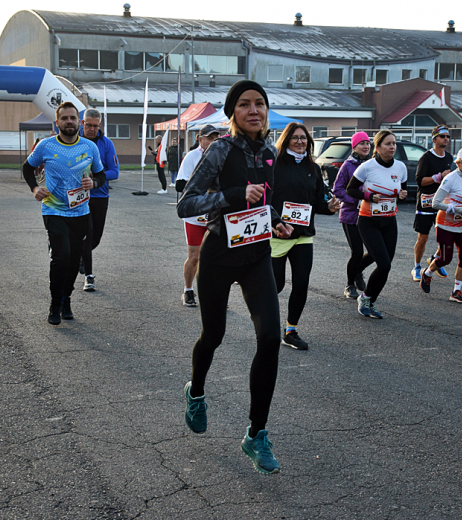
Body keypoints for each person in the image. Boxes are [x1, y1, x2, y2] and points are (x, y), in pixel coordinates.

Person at [177, 80, 293, 474]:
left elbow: (267, 202)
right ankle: (196, 391)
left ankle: (256, 434)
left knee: (269, 340)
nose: (253, 110)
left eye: (259, 103)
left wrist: (276, 221)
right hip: (220, 255)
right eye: (244, 104)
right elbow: (186, 203)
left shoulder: (269, 152)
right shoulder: (220, 150)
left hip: (257, 254)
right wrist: (232, 196)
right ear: (232, 113)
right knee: (214, 335)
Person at [22, 102, 106, 325]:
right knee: (60, 257)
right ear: (57, 122)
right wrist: (34, 188)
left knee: (72, 260)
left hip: (80, 212)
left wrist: (93, 182)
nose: (69, 121)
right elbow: (27, 168)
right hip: (53, 209)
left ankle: (66, 298)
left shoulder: (89, 147)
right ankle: (55, 303)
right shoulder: (45, 146)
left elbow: (101, 175)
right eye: (64, 118)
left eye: (72, 118)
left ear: (79, 122)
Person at [271, 122, 340, 349]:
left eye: (304, 138)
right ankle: (265, 323)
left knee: (301, 284)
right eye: (295, 138)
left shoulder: (312, 166)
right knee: (276, 285)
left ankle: (291, 330)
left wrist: (328, 207)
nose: (300, 142)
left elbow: (317, 200)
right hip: (278, 235)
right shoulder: (276, 164)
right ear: (286, 140)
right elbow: (265, 199)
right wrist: (274, 222)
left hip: (303, 235)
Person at [345, 130, 408, 318]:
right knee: (384, 264)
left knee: (386, 263)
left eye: (394, 144)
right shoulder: (367, 167)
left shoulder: (401, 167)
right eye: (388, 144)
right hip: (368, 221)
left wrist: (402, 196)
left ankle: (370, 300)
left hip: (389, 221)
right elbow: (350, 190)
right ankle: (365, 298)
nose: (392, 147)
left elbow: (402, 193)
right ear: (378, 147)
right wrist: (369, 196)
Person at [419, 148, 462, 303]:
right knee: (445, 259)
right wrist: (454, 208)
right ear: (458, 163)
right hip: (445, 224)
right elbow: (435, 203)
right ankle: (427, 273)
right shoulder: (450, 179)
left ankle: (456, 291)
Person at [175, 124, 221, 307]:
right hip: (195, 216)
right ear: (199, 139)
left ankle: (215, 294)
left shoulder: (222, 156)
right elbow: (180, 185)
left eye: (216, 138)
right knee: (194, 256)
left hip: (214, 216)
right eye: (209, 138)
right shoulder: (192, 156)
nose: (212, 141)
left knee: (215, 257)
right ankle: (188, 290)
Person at [78, 109, 120, 292]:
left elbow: (115, 171)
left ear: (100, 125)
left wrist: (96, 176)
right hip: (78, 197)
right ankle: (89, 275)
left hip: (100, 195)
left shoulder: (106, 144)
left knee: (96, 238)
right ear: (82, 123)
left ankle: (79, 257)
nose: (92, 129)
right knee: (86, 236)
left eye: (95, 126)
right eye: (89, 125)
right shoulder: (74, 141)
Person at [333, 132, 375, 299]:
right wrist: (355, 200)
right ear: (354, 146)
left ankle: (358, 271)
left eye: (368, 143)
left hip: (371, 214)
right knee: (357, 252)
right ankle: (350, 284)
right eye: (362, 143)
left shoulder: (373, 164)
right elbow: (338, 189)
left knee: (374, 252)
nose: (366, 146)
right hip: (351, 215)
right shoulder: (348, 165)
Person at [412, 125, 454, 282]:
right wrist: (439, 177)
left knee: (446, 237)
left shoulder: (449, 158)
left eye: (448, 136)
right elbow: (419, 181)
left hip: (442, 203)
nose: (446, 139)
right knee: (423, 237)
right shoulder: (426, 157)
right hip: (426, 203)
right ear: (434, 138)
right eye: (443, 136)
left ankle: (435, 259)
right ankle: (416, 267)